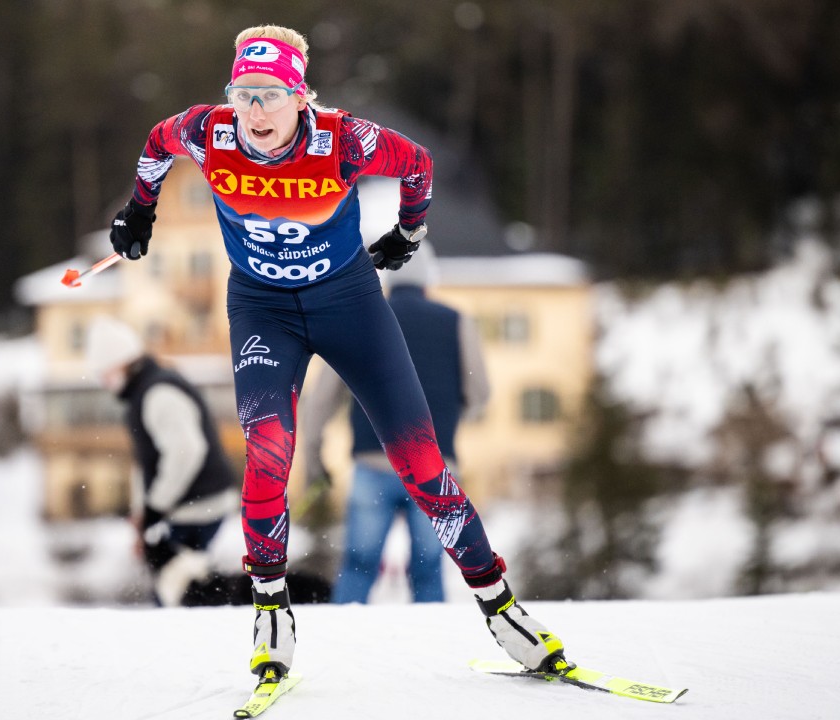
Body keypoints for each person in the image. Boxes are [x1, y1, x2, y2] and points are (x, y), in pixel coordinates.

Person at [107, 24, 568, 683]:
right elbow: (156, 144)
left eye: (270, 95)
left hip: (349, 305)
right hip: (263, 309)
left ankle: (500, 606)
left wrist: (408, 230)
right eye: (243, 94)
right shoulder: (208, 132)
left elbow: (419, 165)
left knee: (420, 462)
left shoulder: (345, 139)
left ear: (303, 98)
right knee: (268, 452)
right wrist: (139, 210)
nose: (255, 112)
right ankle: (271, 608)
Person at [300, 242, 490, 604]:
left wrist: (313, 455)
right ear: (428, 278)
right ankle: (430, 649)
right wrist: (448, 417)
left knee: (358, 566)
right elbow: (479, 392)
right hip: (435, 466)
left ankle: (342, 643)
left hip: (373, 461)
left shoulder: (360, 319)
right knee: (429, 569)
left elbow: (321, 400)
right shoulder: (455, 321)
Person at [85, 315, 239, 606]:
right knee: (182, 593)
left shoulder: (159, 393)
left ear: (123, 363)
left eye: (104, 374)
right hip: (187, 507)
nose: (104, 384)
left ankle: (184, 646)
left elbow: (187, 451)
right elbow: (149, 463)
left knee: (178, 596)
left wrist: (155, 507)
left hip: (198, 509)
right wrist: (144, 513)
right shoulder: (145, 392)